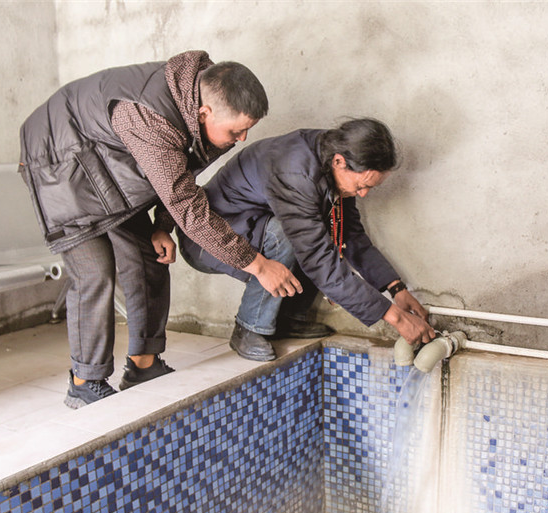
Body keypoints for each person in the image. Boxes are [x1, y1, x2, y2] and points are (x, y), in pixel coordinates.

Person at [18, 50, 301, 408]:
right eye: (236, 131)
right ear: (204, 113)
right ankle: (84, 381)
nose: (242, 138)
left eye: (247, 130)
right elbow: (187, 205)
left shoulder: (203, 108)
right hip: (57, 160)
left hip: (108, 164)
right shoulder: (149, 117)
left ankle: (143, 364)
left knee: (150, 256)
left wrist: (162, 226)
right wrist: (257, 264)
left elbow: (182, 174)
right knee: (95, 271)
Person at [178, 118, 436, 361]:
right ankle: (249, 328)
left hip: (250, 229)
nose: (364, 194)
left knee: (319, 229)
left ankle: (288, 318)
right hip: (209, 243)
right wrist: (396, 318)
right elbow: (318, 260)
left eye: (369, 187)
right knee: (291, 235)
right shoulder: (296, 173)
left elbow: (350, 234)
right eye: (361, 186)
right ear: (339, 162)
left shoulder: (332, 160)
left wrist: (396, 288)